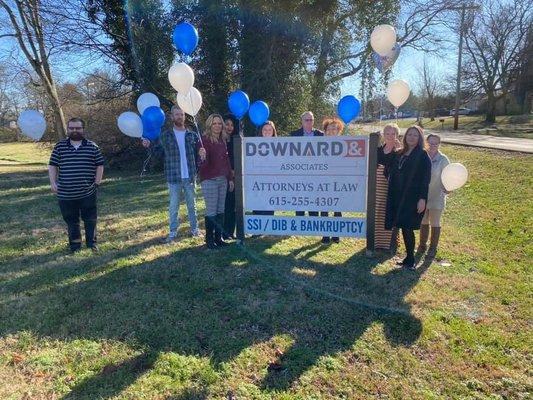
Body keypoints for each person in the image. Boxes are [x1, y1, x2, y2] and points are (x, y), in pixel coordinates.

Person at [142, 106, 201, 243]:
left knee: (192, 205)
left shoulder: (192, 135)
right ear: (172, 117)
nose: (179, 116)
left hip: (190, 176)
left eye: (181, 114)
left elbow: (198, 155)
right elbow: (157, 154)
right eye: (176, 114)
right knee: (174, 206)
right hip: (173, 177)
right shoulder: (165, 135)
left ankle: (195, 229)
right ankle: (173, 232)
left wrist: (201, 156)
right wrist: (148, 145)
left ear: (184, 116)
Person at [378, 125, 431, 270]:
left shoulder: (422, 155)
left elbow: (425, 179)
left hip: (412, 197)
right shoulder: (400, 152)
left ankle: (411, 260)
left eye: (415, 135)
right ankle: (408, 257)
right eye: (409, 135)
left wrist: (422, 199)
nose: (412, 137)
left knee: (408, 228)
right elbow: (388, 167)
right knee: (402, 226)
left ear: (419, 138)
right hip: (397, 196)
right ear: (405, 137)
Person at [48, 117, 104, 252]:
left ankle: (92, 244)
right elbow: (53, 165)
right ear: (67, 129)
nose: (74, 130)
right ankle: (75, 246)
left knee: (90, 220)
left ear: (83, 129)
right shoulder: (60, 146)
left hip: (88, 192)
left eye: (78, 128)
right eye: (71, 128)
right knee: (71, 221)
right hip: (65, 193)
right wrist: (53, 183)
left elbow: (100, 165)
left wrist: (97, 182)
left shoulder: (92, 146)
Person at [198, 114, 234, 249]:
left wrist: (230, 178)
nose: (218, 126)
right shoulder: (204, 141)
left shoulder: (223, 140)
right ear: (210, 125)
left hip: (222, 180)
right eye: (215, 123)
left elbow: (226, 162)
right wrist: (202, 156)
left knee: (220, 210)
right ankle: (209, 240)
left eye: (219, 123)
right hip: (209, 179)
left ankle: (218, 238)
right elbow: (202, 164)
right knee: (211, 210)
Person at [417, 133, 450, 258]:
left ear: (439, 144)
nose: (433, 145)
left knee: (435, 222)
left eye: (436, 143)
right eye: (430, 143)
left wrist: (449, 188)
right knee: (423, 221)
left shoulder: (443, 159)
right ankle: (422, 245)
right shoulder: (422, 156)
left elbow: (449, 177)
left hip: (437, 196)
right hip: (423, 195)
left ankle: (433, 248)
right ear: (426, 142)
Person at [290, 111, 324, 218]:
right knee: (299, 198)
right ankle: (299, 221)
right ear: (302, 121)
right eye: (306, 120)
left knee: (313, 198)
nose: (309, 122)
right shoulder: (293, 135)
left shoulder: (321, 135)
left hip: (316, 173)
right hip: (299, 173)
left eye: (311, 120)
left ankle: (313, 221)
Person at [375, 124, 402, 253]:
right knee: (378, 212)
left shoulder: (400, 151)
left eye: (393, 134)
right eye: (387, 134)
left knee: (389, 212)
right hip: (377, 186)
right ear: (383, 135)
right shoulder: (379, 150)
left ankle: (390, 243)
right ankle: (376, 242)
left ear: (397, 135)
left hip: (391, 187)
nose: (390, 136)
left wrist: (398, 152)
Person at [320, 117, 345, 244]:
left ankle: (336, 235)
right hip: (323, 182)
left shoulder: (345, 145)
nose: (332, 131)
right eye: (329, 129)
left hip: (338, 182)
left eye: (334, 129)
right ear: (325, 131)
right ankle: (325, 235)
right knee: (324, 208)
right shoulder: (319, 145)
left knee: (337, 208)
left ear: (339, 130)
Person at [253, 120, 277, 218]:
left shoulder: (279, 145)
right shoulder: (254, 144)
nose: (267, 132)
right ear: (261, 131)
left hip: (272, 182)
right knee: (257, 205)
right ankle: (257, 230)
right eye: (265, 129)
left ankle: (267, 229)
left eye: (269, 130)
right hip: (257, 181)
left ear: (273, 132)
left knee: (269, 205)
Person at [222, 113, 241, 240]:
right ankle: (223, 232)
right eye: (227, 124)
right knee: (224, 206)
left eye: (232, 125)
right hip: (222, 177)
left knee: (233, 205)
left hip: (235, 177)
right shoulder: (219, 141)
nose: (229, 127)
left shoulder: (236, 140)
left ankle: (231, 231)